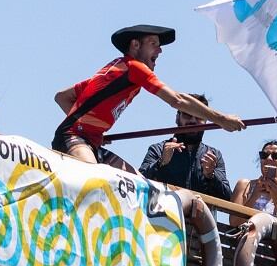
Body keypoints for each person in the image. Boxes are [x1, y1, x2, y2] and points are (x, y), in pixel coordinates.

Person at [55, 25, 243, 172]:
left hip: (90, 143)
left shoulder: (113, 71)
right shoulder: (134, 67)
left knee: (139, 187)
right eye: (154, 43)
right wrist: (221, 119)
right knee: (94, 180)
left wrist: (94, 131)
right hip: (73, 138)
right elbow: (176, 100)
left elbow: (62, 97)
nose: (160, 51)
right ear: (135, 45)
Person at [140, 97, 231, 199]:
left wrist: (211, 175)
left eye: (199, 116)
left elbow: (227, 197)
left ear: (206, 122)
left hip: (200, 214)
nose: (193, 120)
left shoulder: (214, 155)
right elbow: (139, 183)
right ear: (177, 117)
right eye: (187, 114)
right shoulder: (158, 149)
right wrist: (161, 163)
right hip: (164, 213)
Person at [233, 142, 277, 220]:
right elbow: (234, 221)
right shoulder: (245, 185)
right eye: (264, 155)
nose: (269, 158)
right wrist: (254, 195)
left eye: (276, 156)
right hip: (246, 231)